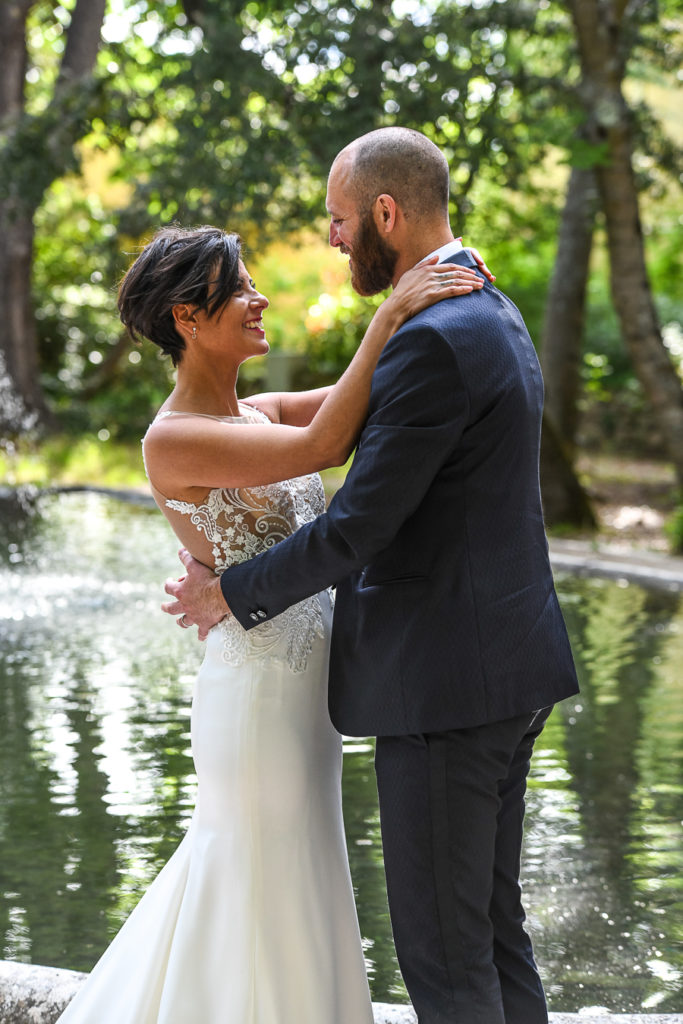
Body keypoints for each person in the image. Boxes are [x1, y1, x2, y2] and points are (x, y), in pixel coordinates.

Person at [165, 128, 580, 1024]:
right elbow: (336, 434)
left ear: (386, 213)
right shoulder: (484, 308)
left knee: (443, 958)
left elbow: (358, 524)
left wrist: (229, 592)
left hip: (445, 688)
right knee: (492, 936)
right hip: (501, 667)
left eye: (342, 219)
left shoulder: (435, 334)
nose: (333, 238)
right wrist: (389, 314)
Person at [54, 224, 484, 1024]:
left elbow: (362, 407)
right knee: (251, 880)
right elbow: (324, 442)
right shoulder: (172, 438)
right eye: (240, 287)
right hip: (254, 702)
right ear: (187, 317)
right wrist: (390, 311)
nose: (259, 300)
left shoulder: (260, 412)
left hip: (310, 704)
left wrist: (431, 286)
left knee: (298, 876)